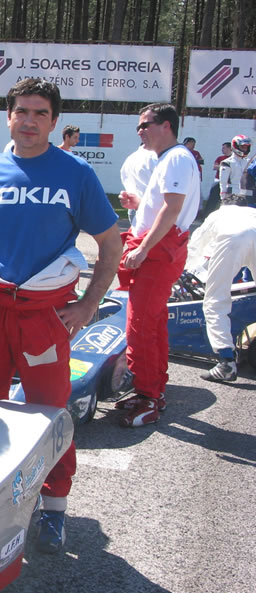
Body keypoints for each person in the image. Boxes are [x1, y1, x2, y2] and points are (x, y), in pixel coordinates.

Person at [0, 78, 122, 554]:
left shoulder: (76, 174)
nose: (28, 120)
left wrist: (87, 305)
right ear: (8, 117)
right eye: (21, 111)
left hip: (45, 318)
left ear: (53, 121)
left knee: (49, 413)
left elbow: (110, 244)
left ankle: (55, 507)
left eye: (39, 113)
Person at [116, 104, 201, 427]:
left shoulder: (176, 157)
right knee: (152, 323)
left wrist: (143, 249)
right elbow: (162, 206)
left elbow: (172, 209)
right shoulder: (170, 158)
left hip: (157, 253)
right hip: (159, 249)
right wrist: (139, 204)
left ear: (166, 125)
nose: (140, 132)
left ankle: (149, 397)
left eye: (145, 125)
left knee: (141, 327)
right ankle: (151, 391)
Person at [186, 196, 256, 382]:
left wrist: (187, 272)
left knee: (215, 301)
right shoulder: (252, 212)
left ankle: (226, 363)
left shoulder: (219, 214)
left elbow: (196, 246)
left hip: (233, 239)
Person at [120, 144, 158, 227]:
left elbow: (124, 178)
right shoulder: (155, 158)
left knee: (137, 235)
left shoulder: (130, 158)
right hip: (150, 209)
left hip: (134, 206)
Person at [219, 135, 252, 204]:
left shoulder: (250, 162)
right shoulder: (227, 162)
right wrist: (223, 197)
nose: (245, 149)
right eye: (243, 147)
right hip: (233, 195)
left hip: (248, 195)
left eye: (246, 147)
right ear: (235, 146)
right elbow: (223, 182)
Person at [203, 142, 232, 218]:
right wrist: (226, 168)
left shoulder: (232, 159)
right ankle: (206, 216)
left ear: (230, 148)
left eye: (224, 148)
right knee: (212, 200)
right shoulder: (220, 158)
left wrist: (224, 168)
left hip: (229, 183)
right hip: (218, 181)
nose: (222, 149)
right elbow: (215, 167)